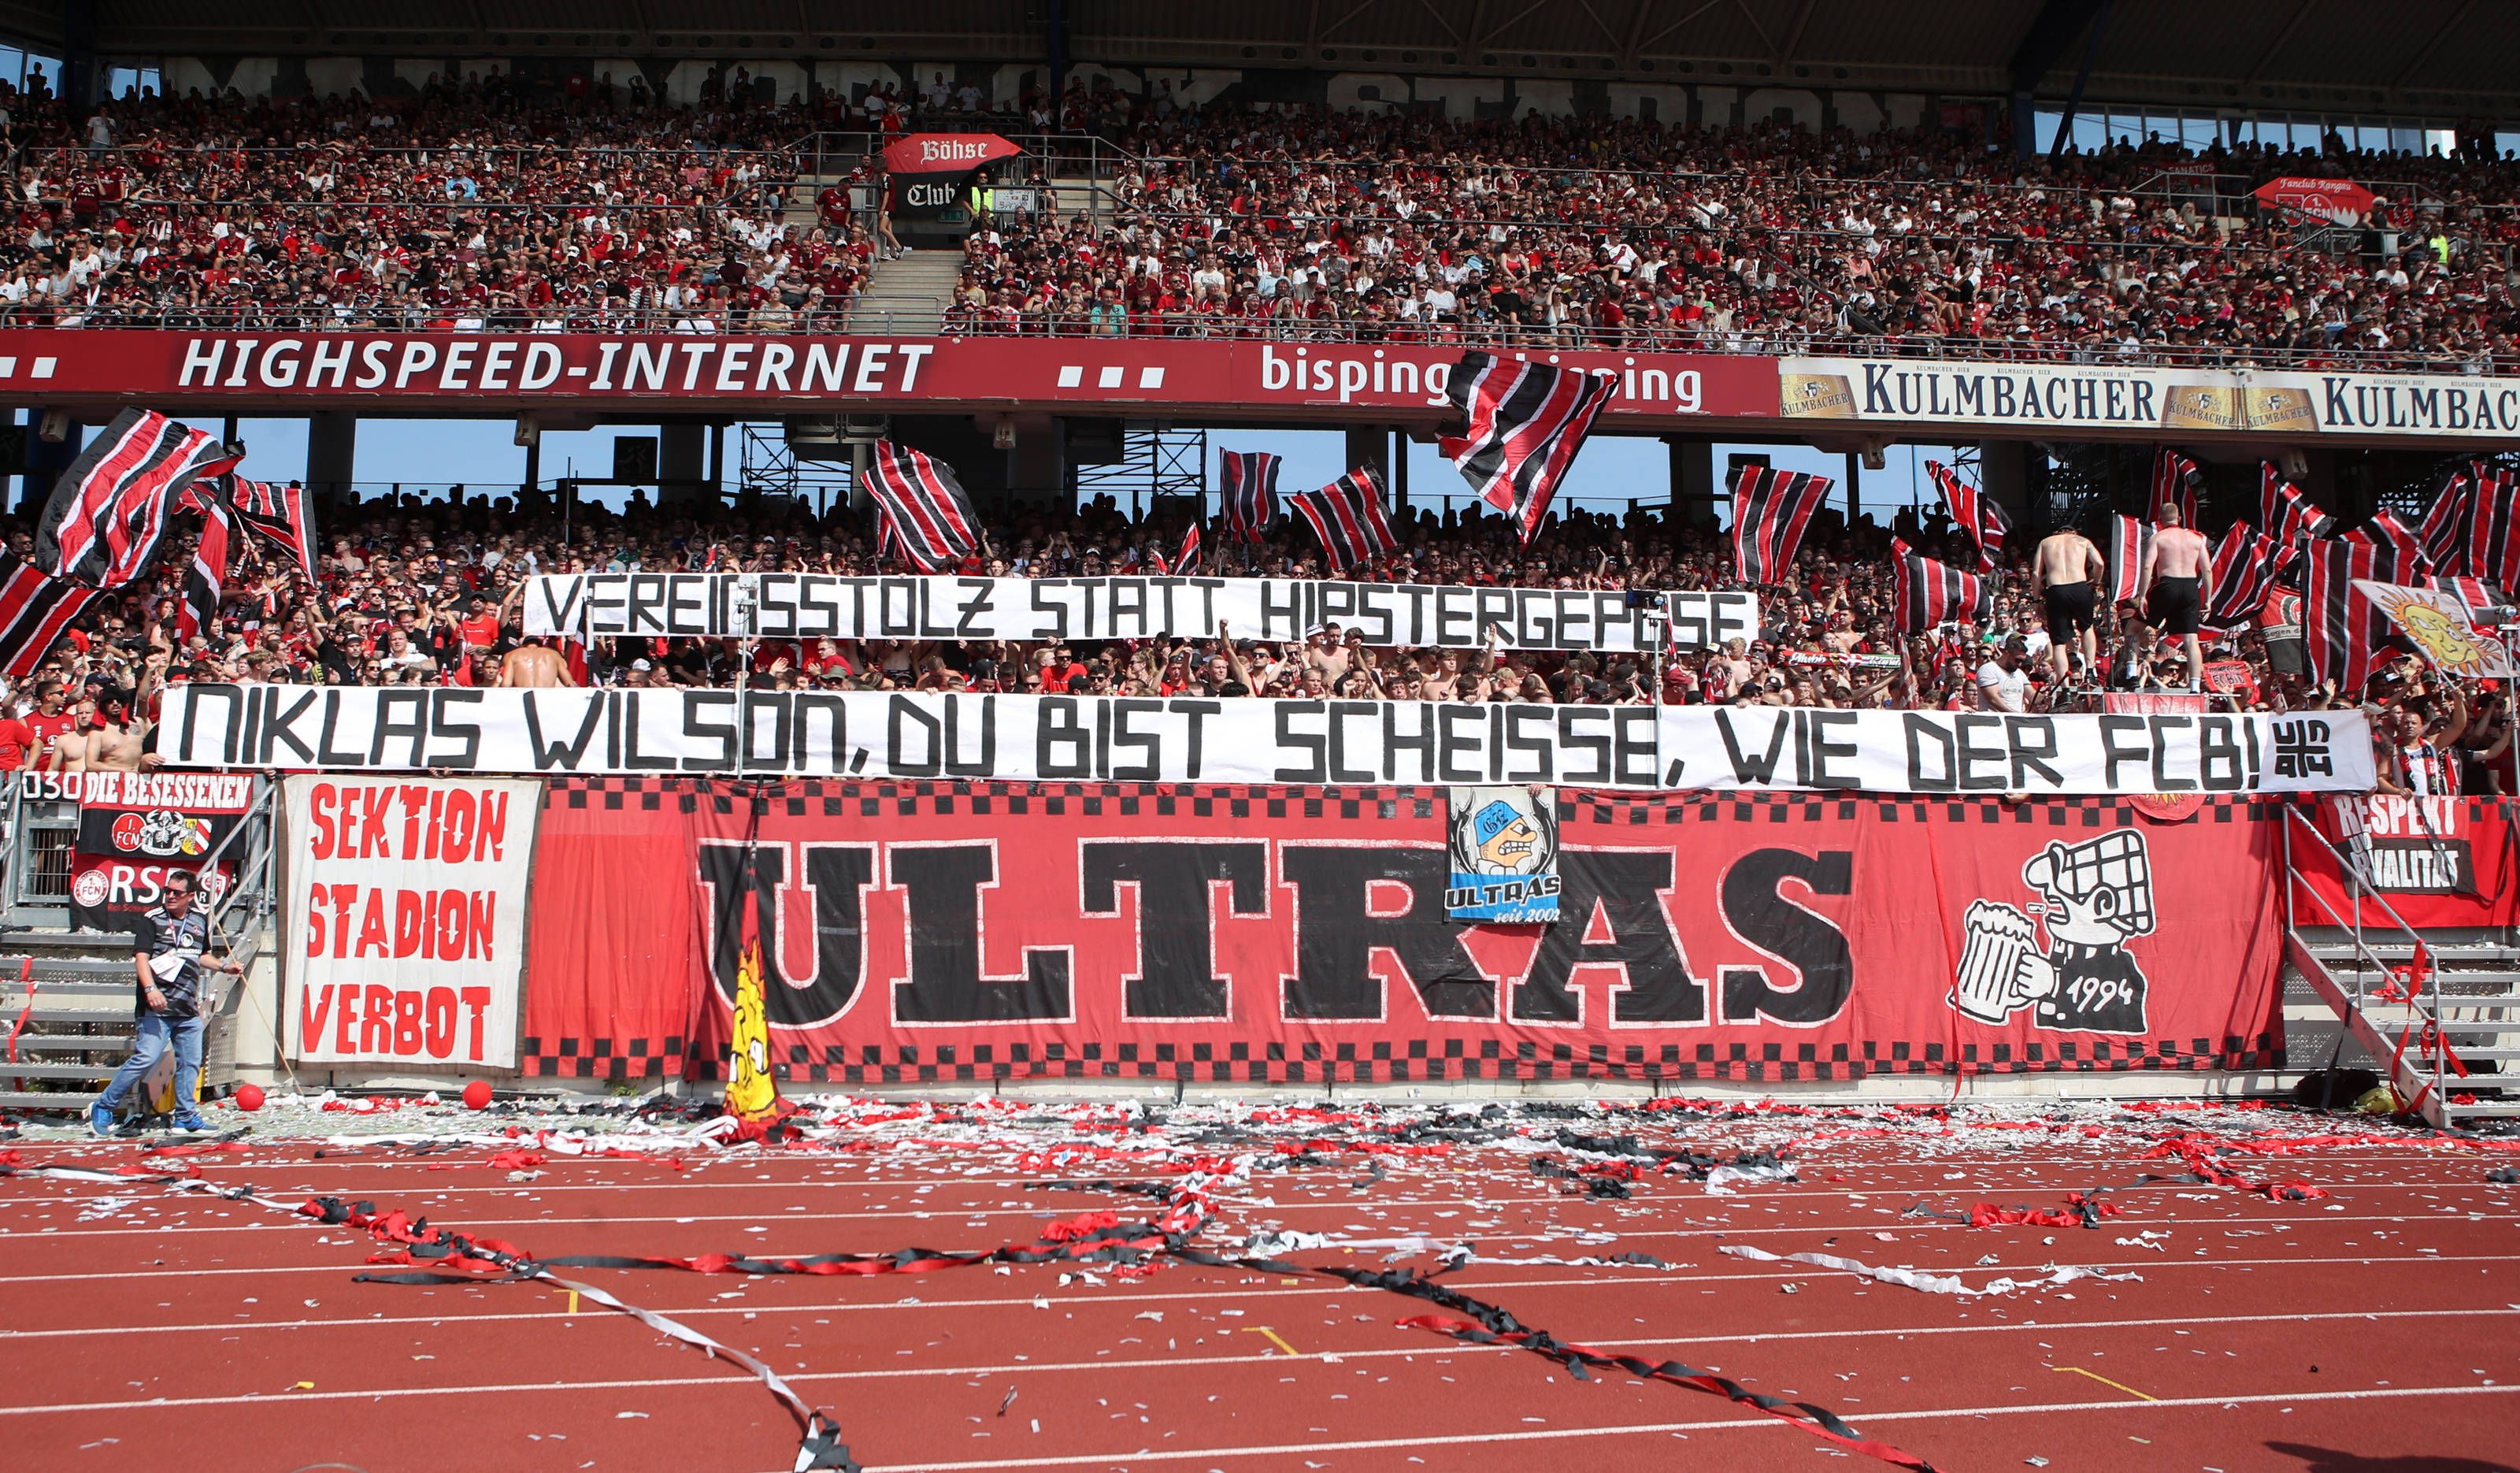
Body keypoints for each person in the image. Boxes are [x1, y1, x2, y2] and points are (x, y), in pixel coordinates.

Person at [90, 869, 243, 1136]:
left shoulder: (198, 920)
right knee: (145, 1058)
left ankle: (186, 1116)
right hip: (156, 1007)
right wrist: (150, 989)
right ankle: (104, 1105)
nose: (170, 896)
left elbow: (200, 954)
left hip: (186, 1008)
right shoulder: (153, 919)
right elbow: (141, 958)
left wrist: (223, 966)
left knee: (191, 1062)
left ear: (191, 896)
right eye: (167, 891)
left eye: (176, 893)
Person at [2137, 500, 2213, 692]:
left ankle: (2131, 671)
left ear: (2160, 521)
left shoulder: (2159, 538)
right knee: (2191, 640)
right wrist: (2208, 599)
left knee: (2134, 628)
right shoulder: (2196, 540)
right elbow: (2207, 571)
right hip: (2190, 586)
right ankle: (2195, 685)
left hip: (2168, 584)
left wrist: (2142, 595)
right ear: (2179, 519)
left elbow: (2148, 566)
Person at [2031, 525, 2107, 682]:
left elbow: (2036, 573)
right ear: (2073, 532)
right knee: (2086, 628)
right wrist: (2096, 583)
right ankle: (2090, 671)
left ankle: (2063, 685)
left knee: (2058, 642)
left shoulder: (2046, 542)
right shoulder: (2082, 541)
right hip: (2079, 586)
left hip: (2056, 589)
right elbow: (2099, 563)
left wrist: (2036, 599)